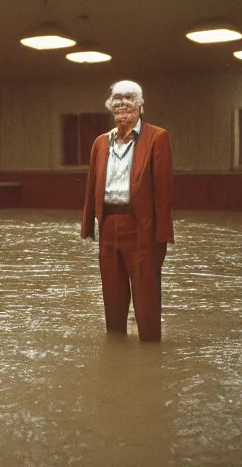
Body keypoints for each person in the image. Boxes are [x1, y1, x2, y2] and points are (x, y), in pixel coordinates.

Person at [81, 80, 174, 342]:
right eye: (118, 98)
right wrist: (89, 226)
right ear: (110, 105)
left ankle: (151, 352)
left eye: (130, 98)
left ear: (141, 105)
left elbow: (165, 192)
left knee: (146, 300)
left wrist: (161, 237)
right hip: (108, 225)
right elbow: (91, 186)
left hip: (142, 227)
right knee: (112, 297)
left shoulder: (157, 137)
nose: (123, 102)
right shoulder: (100, 143)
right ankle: (116, 350)